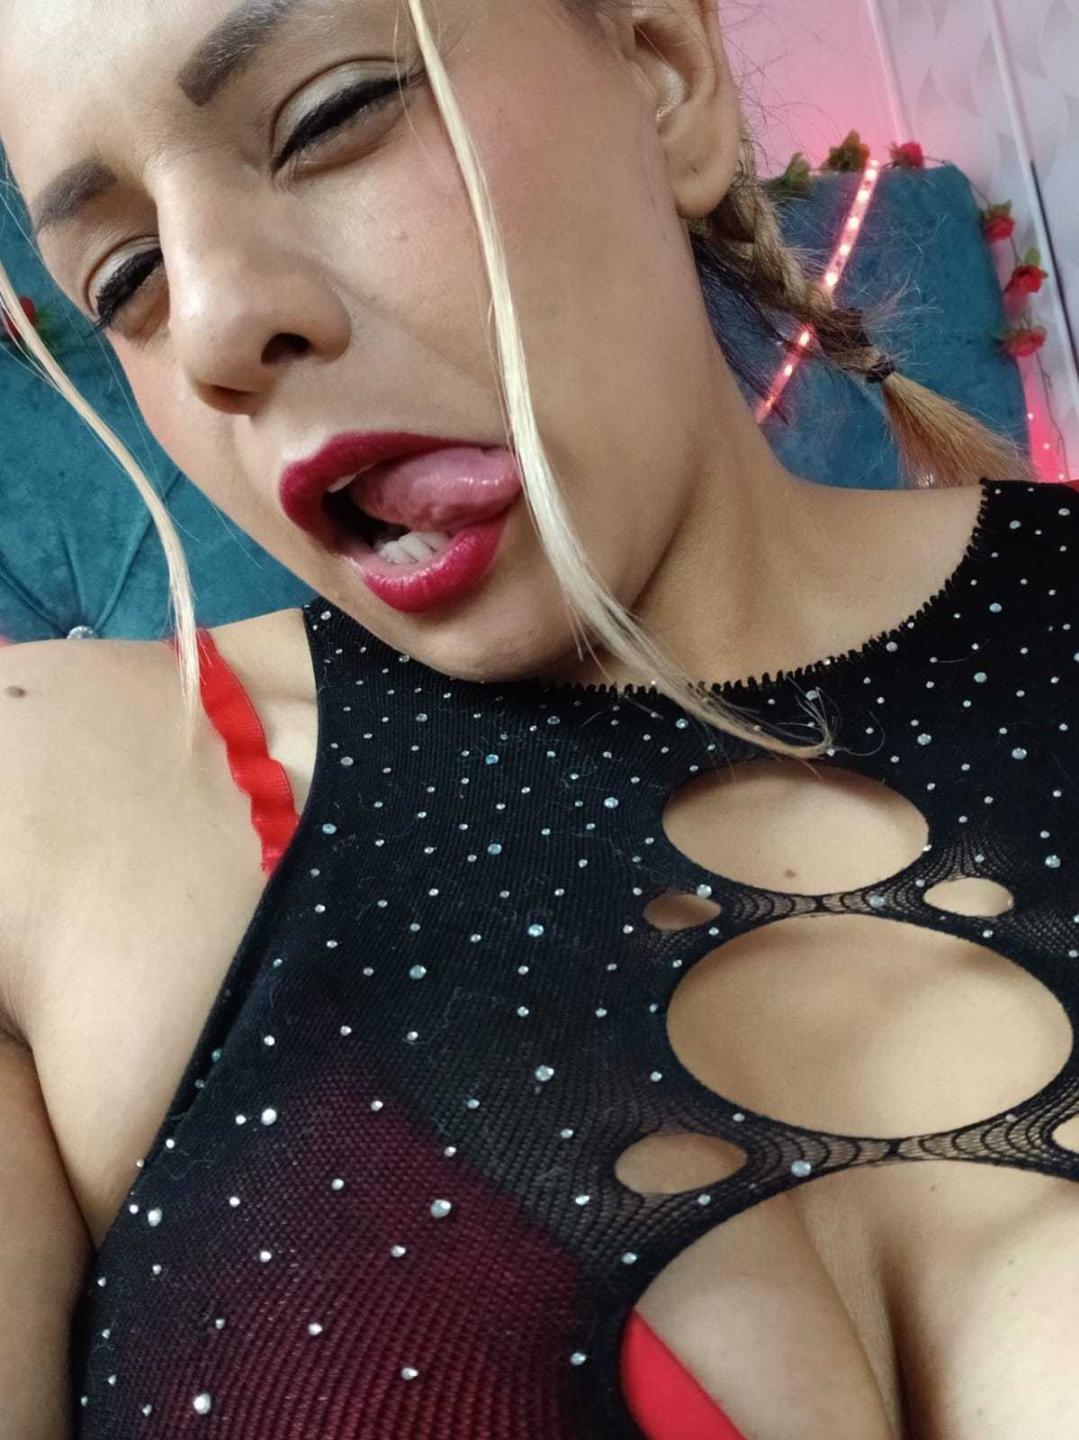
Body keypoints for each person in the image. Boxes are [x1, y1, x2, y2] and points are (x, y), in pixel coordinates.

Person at [1, 0, 1074, 1436]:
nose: (210, 326)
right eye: (125, 279)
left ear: (664, 71)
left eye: (330, 116)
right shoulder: (52, 812)